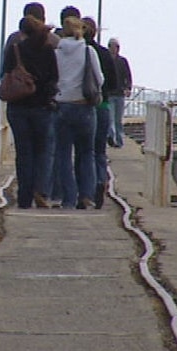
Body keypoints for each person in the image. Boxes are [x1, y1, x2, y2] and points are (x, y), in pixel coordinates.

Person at [1, 14, 59, 208]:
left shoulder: (15, 49)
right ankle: (40, 190)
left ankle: (24, 197)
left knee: (24, 153)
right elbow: (54, 78)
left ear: (22, 32)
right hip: (42, 107)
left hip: (18, 107)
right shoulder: (48, 50)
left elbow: (5, 75)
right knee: (43, 152)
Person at [53, 16, 103, 209]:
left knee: (63, 154)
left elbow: (53, 78)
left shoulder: (57, 53)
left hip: (62, 106)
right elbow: (99, 79)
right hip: (85, 106)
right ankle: (86, 195)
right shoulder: (89, 51)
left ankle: (68, 198)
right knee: (87, 152)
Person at [82, 17, 117, 209]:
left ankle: (86, 189)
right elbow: (113, 83)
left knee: (83, 151)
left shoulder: (80, 52)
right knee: (99, 151)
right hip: (102, 106)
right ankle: (100, 181)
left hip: (83, 106)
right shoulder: (104, 54)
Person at [0, 2, 59, 77]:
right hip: (44, 87)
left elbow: (6, 70)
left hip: (20, 86)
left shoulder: (14, 39)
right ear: (43, 18)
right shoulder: (54, 40)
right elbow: (55, 74)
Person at [107, 37, 132, 148]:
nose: (114, 49)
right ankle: (112, 139)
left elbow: (128, 76)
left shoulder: (122, 61)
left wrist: (128, 88)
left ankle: (119, 141)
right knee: (111, 119)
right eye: (112, 46)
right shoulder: (106, 60)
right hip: (110, 94)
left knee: (118, 120)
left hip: (120, 94)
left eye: (116, 47)